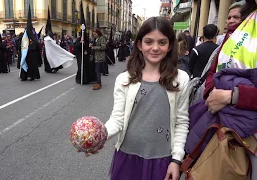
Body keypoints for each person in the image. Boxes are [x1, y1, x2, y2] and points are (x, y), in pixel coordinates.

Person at [80, 17, 190, 180]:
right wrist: (99, 137)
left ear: (170, 45)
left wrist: (176, 159)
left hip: (162, 160)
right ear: (139, 44)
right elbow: (117, 119)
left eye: (162, 42)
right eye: (148, 42)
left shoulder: (180, 79)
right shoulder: (125, 79)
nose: (155, 48)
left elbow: (181, 122)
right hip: (127, 157)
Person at [204, 0, 257, 179]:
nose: (230, 21)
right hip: (226, 123)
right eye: (228, 17)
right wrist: (212, 93)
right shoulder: (239, 30)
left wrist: (233, 96)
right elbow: (213, 70)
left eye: (235, 17)